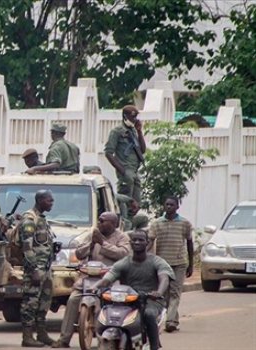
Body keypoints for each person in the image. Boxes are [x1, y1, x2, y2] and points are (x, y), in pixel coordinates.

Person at [52, 212, 131, 348]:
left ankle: (108, 339)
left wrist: (103, 243)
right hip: (89, 278)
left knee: (113, 304)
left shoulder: (122, 237)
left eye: (103, 221)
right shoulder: (93, 234)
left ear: (113, 224)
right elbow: (78, 253)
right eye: (99, 220)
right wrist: (91, 243)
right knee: (73, 300)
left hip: (110, 278)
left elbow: (122, 254)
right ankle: (64, 339)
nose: (99, 223)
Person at [92, 230, 174, 349]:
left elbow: (164, 278)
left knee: (148, 314)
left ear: (147, 243)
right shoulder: (124, 262)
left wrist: (159, 292)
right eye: (134, 240)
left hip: (150, 300)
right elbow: (107, 278)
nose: (137, 242)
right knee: (103, 313)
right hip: (127, 300)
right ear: (130, 242)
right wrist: (96, 287)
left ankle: (154, 346)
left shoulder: (157, 261)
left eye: (141, 240)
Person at [19, 190, 57, 347]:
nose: (52, 203)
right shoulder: (29, 218)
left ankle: (41, 333)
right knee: (31, 301)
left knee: (44, 301)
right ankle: (27, 337)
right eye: (49, 200)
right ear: (40, 200)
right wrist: (34, 269)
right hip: (36, 269)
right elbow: (26, 246)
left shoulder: (42, 219)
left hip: (46, 268)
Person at [150, 196, 194, 333]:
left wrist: (191, 264)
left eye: (171, 205)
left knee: (175, 292)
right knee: (165, 294)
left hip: (179, 263)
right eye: (167, 204)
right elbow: (150, 241)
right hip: (162, 264)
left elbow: (190, 243)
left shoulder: (185, 223)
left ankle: (170, 321)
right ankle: (174, 319)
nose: (168, 207)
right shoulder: (157, 223)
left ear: (177, 207)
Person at [104, 105, 146, 202]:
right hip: (126, 169)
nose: (135, 119)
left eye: (136, 117)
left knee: (136, 202)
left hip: (135, 171)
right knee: (125, 200)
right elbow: (108, 153)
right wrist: (122, 170)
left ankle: (131, 217)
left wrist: (139, 132)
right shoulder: (117, 131)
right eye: (132, 117)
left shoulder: (134, 131)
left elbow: (142, 150)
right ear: (125, 116)